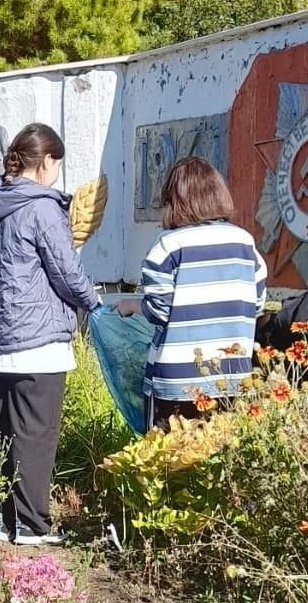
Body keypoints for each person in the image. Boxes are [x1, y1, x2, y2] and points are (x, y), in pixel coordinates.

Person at [0, 122, 101, 545]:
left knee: (2, 432)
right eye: (57, 165)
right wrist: (93, 301)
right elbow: (67, 273)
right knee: (36, 434)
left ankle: (3, 519)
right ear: (45, 162)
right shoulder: (43, 208)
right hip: (37, 340)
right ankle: (32, 525)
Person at [113, 157, 266, 427]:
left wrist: (132, 305)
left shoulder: (168, 245)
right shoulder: (244, 241)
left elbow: (160, 310)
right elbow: (257, 305)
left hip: (175, 383)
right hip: (231, 378)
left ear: (175, 201)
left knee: (168, 462)